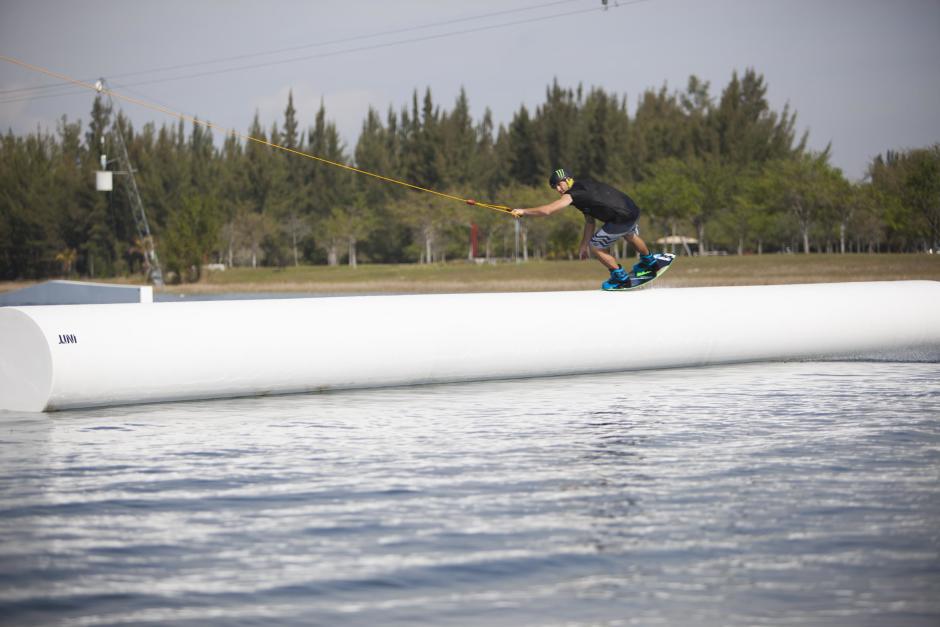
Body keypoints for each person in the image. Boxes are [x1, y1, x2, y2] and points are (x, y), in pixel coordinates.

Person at [511, 168, 670, 289]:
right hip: (631, 210)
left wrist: (523, 211)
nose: (559, 190)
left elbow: (548, 210)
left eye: (559, 184)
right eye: (555, 188)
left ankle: (620, 278)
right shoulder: (585, 185)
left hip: (620, 218)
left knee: (596, 245)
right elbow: (590, 221)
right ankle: (650, 261)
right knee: (628, 234)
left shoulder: (572, 194)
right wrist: (583, 245)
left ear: (568, 179)